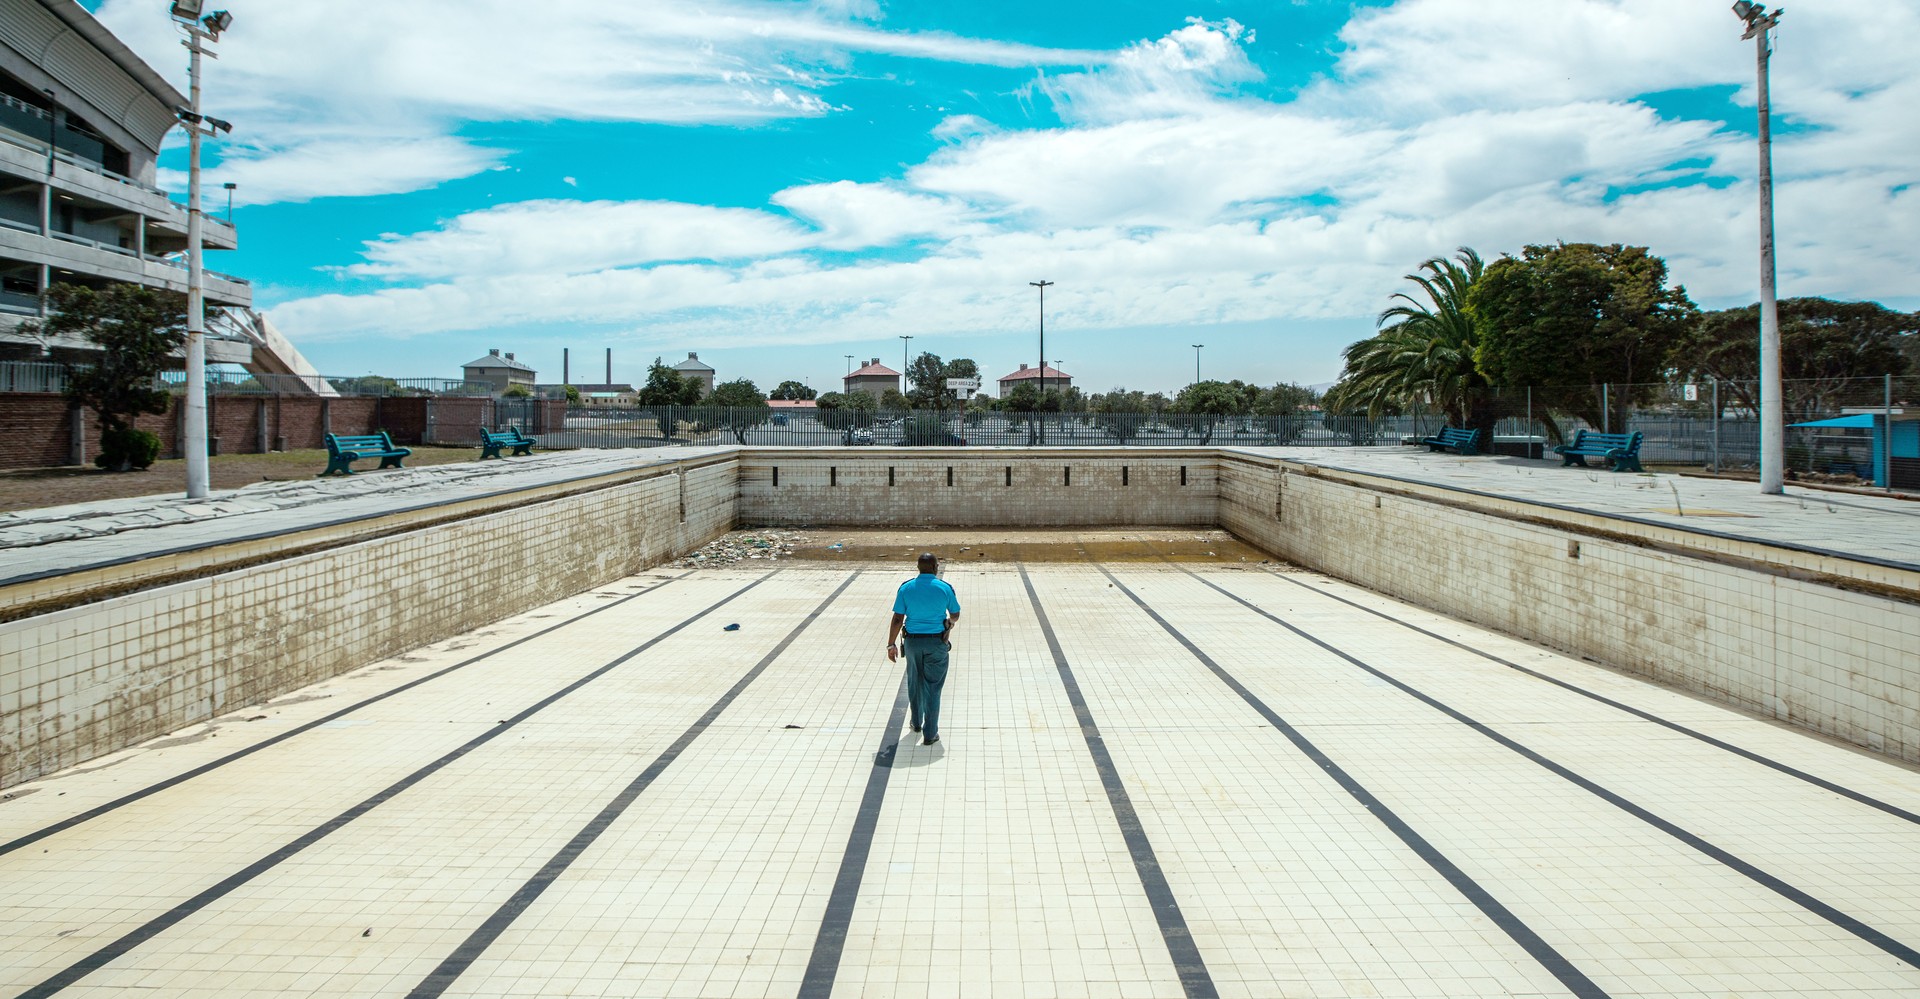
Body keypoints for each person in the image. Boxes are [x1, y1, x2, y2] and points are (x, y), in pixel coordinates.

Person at [887, 552, 960, 746]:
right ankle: (930, 733)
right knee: (933, 687)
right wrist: (949, 624)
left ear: (918, 567)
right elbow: (955, 613)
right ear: (936, 567)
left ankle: (916, 722)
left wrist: (891, 644)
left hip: (912, 643)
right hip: (936, 643)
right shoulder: (944, 588)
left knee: (914, 682)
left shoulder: (906, 588)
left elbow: (897, 618)